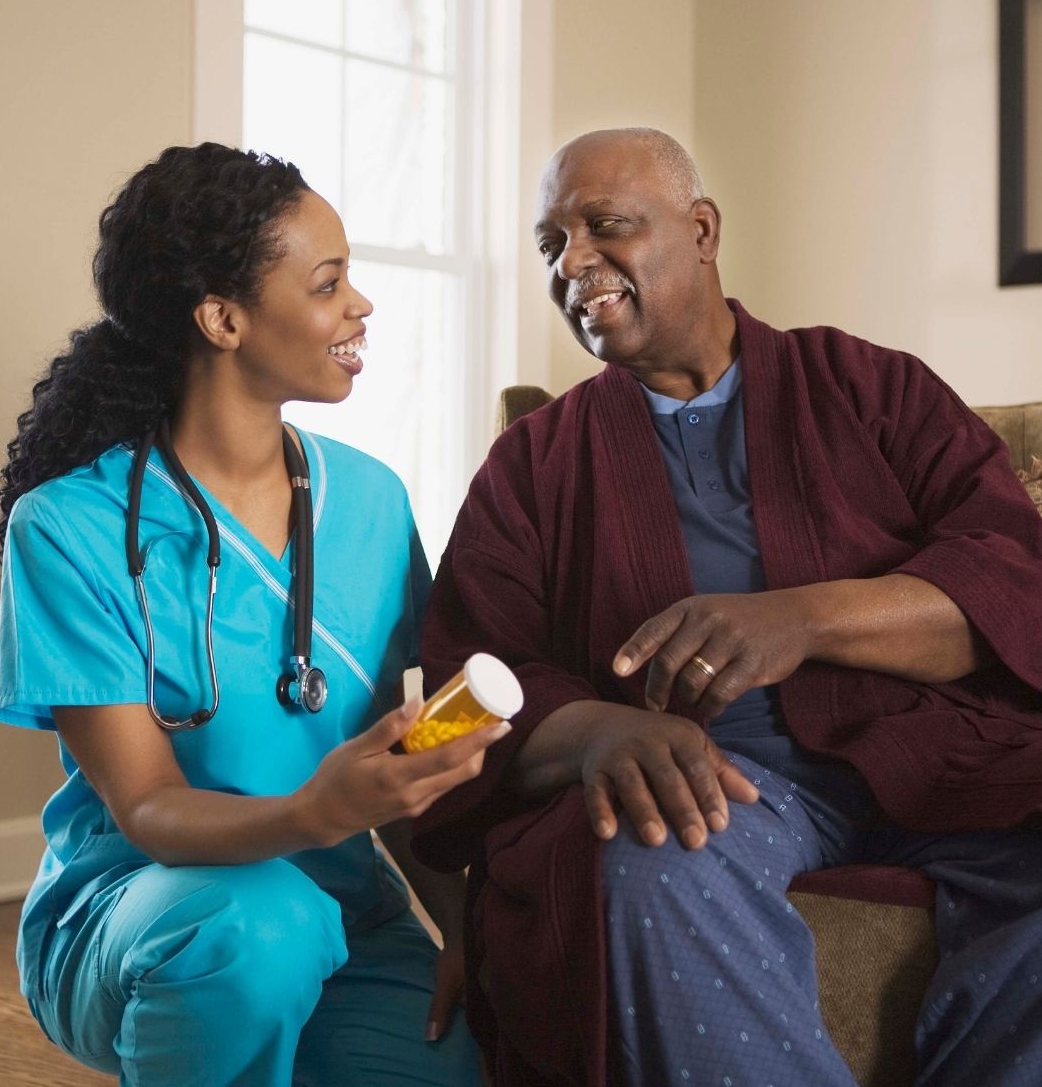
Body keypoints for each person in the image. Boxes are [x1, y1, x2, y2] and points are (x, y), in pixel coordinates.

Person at [411, 127, 1042, 1086]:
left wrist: (807, 617)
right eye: (551, 244)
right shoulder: (534, 466)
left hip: (942, 753)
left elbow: (1012, 576)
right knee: (647, 860)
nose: (573, 261)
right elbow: (469, 684)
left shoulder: (876, 389)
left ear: (702, 231)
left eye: (603, 225)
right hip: (720, 781)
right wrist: (591, 733)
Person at [0, 142, 498, 1086]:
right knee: (263, 931)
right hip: (149, 914)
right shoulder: (67, 528)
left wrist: (466, 926)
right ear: (223, 318)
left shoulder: (373, 502)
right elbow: (144, 807)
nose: (361, 306)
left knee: (457, 1062)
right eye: (328, 282)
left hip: (346, 913)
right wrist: (313, 810)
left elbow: (398, 761)